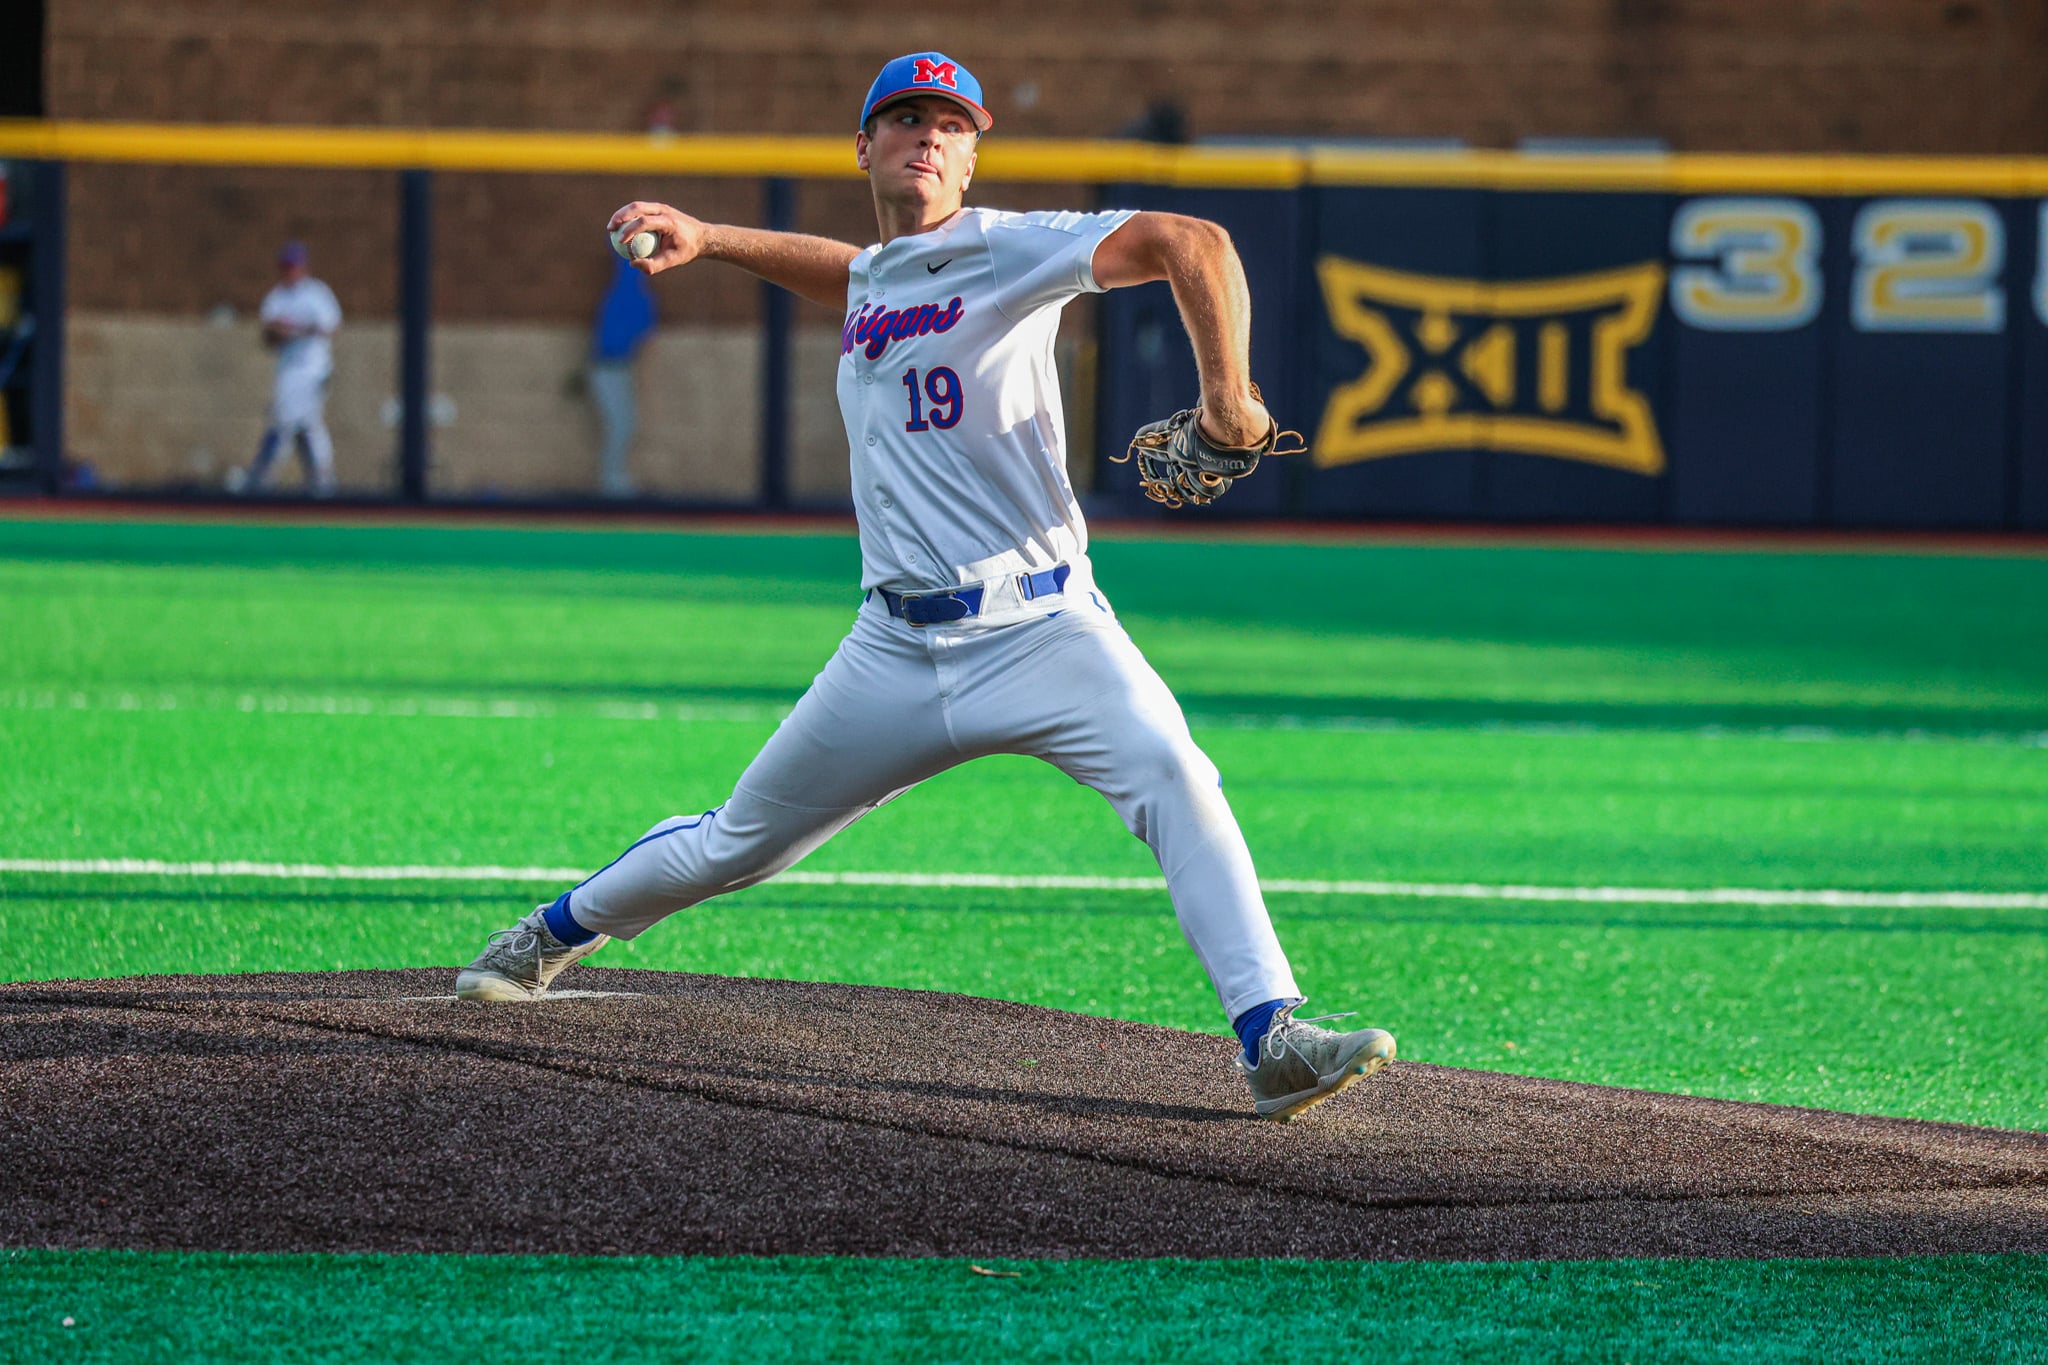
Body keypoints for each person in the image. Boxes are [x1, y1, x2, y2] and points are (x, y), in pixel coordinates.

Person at [455, 52, 1397, 1123]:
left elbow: (1196, 243)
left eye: (949, 124)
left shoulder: (1005, 248)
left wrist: (1225, 394)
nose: (927, 137)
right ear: (865, 146)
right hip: (892, 653)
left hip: (1046, 628)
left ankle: (1270, 1035)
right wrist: (712, 240)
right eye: (904, 119)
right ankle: (550, 935)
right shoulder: (876, 277)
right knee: (738, 844)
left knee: (1175, 778)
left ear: (973, 151)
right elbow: (850, 276)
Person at [233, 241, 341, 496]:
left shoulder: (316, 293)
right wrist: (279, 331)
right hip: (288, 370)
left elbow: (331, 327)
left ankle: (262, 477)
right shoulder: (277, 296)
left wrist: (295, 329)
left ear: (303, 266)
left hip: (313, 370)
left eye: (293, 265)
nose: (289, 270)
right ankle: (322, 482)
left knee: (284, 420)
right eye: (286, 266)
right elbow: (268, 336)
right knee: (306, 425)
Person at [587, 252, 656, 498]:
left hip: (620, 369)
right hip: (605, 370)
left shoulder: (640, 298)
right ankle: (611, 482)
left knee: (625, 424)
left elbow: (642, 338)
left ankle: (615, 479)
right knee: (619, 425)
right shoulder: (615, 298)